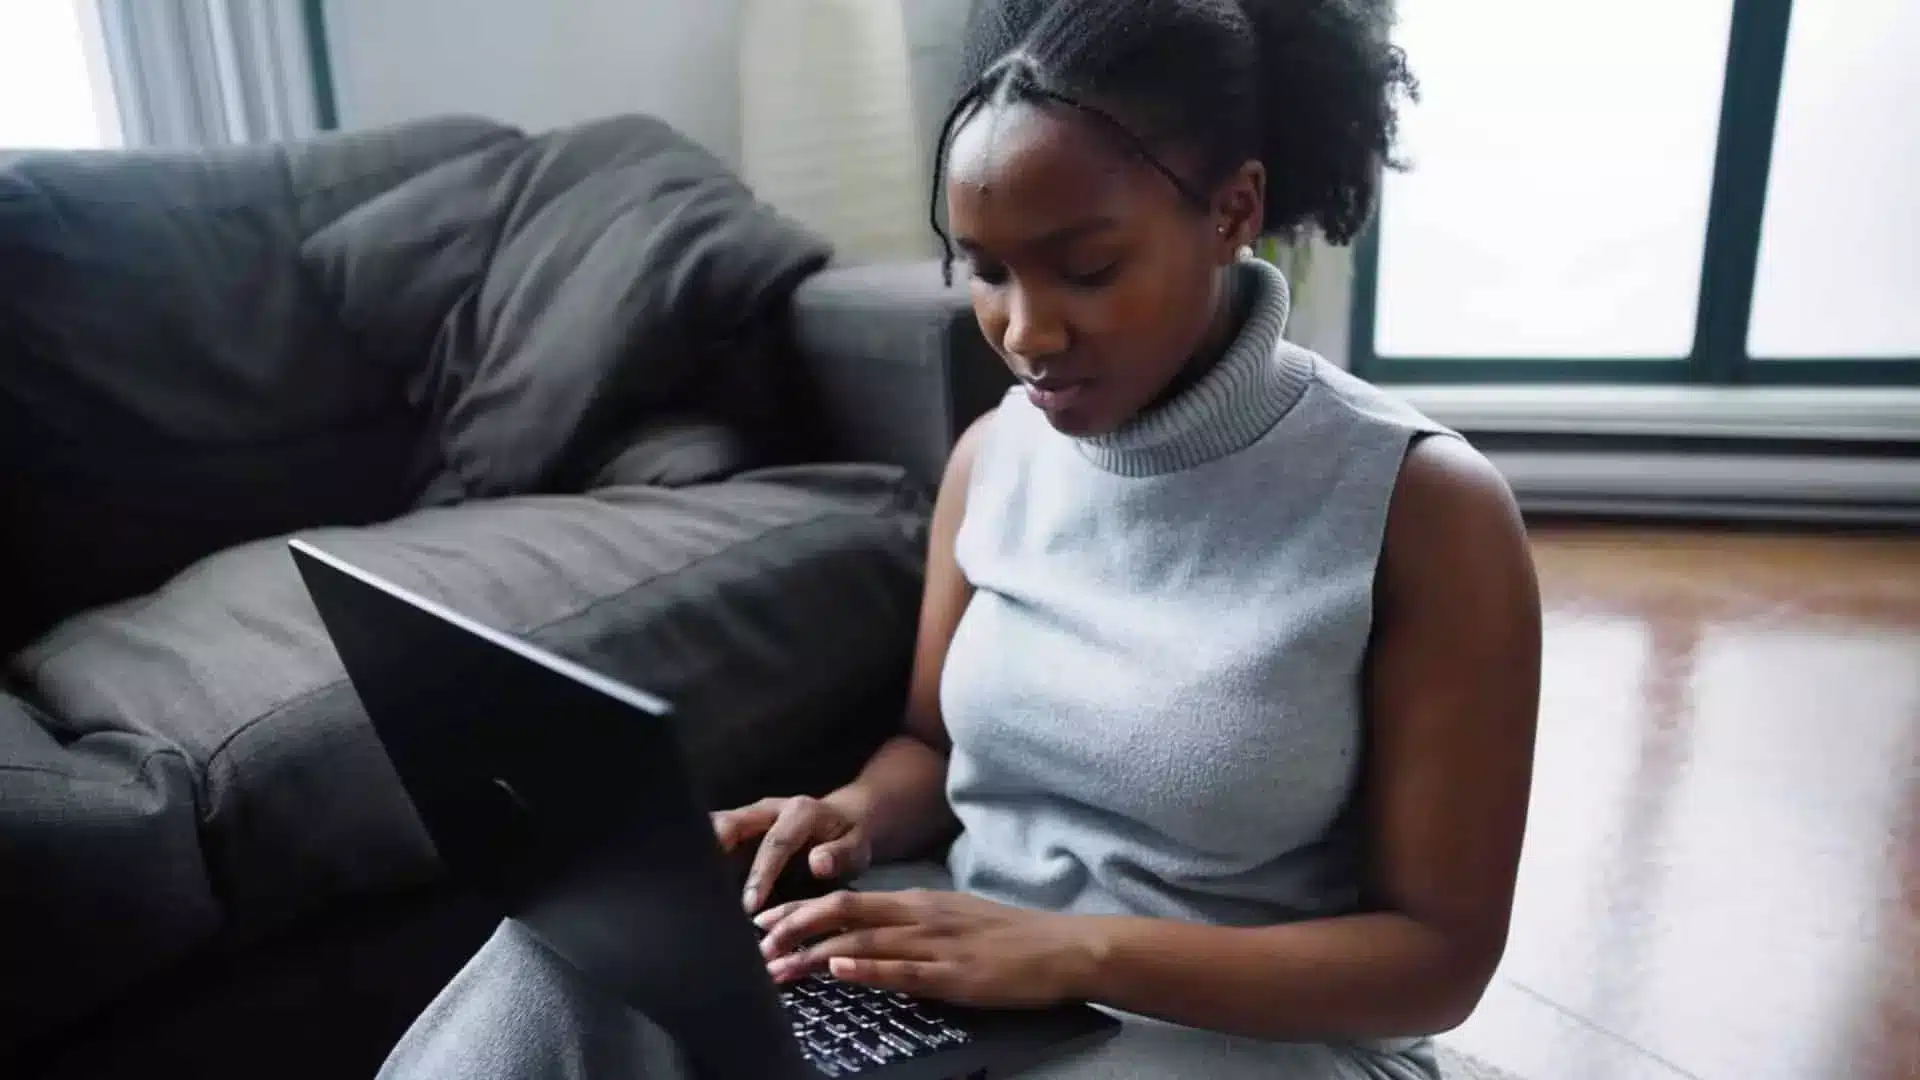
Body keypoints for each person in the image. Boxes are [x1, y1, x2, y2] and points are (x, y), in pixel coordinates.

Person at [380, 0, 1542, 1077]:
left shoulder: (1424, 509)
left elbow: (1436, 960)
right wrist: (848, 814)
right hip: (982, 977)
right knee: (569, 955)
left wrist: (1071, 955)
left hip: (1230, 1029)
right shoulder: (998, 454)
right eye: (986, 271)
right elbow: (932, 748)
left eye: (1086, 269)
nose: (1025, 332)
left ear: (1232, 210)